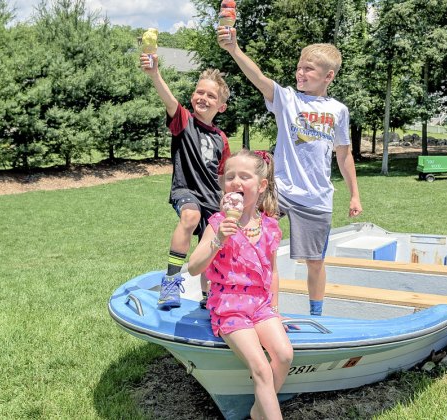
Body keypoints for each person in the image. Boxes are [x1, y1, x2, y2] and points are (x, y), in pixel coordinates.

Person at [218, 29, 363, 316]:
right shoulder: (287, 99)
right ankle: (249, 303)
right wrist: (234, 48)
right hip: (280, 191)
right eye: (299, 67)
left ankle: (316, 315)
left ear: (328, 76)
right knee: (250, 241)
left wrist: (354, 195)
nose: (300, 72)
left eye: (308, 69)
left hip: (316, 198)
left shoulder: (338, 111)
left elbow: (344, 155)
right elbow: (258, 78)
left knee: (314, 261)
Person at [188, 149, 293, 420]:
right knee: (260, 367)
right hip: (229, 305)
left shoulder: (269, 226)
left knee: (283, 355)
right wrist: (218, 240)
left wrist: (276, 308)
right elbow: (193, 267)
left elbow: (273, 272)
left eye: (244, 176)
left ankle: (259, 412)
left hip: (259, 304)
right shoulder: (218, 223)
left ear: (261, 186)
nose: (235, 182)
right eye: (230, 176)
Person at [140, 53, 231, 310]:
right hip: (186, 190)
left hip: (212, 198)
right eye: (199, 92)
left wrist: (227, 202)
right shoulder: (183, 121)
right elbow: (169, 100)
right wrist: (155, 74)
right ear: (193, 96)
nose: (203, 97)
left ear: (221, 107)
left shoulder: (221, 138)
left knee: (209, 249)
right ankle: (170, 283)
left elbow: (223, 176)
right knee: (190, 217)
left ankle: (208, 296)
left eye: (211, 96)